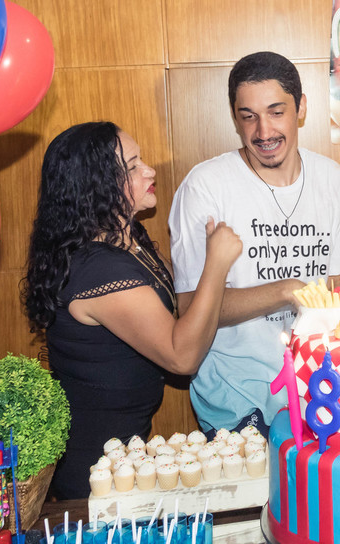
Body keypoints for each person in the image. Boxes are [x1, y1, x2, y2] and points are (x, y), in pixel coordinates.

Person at [22, 122, 241, 499]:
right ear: (97, 187)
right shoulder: (99, 269)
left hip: (123, 453)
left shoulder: (129, 242)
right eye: (133, 167)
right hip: (94, 469)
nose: (150, 171)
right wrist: (217, 264)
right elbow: (182, 356)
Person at [170, 51, 340, 434]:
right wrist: (287, 290)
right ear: (235, 117)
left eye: (276, 112)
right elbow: (189, 310)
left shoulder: (333, 179)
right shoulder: (206, 186)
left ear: (301, 108)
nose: (263, 132)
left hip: (316, 391)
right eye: (248, 116)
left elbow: (335, 287)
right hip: (236, 400)